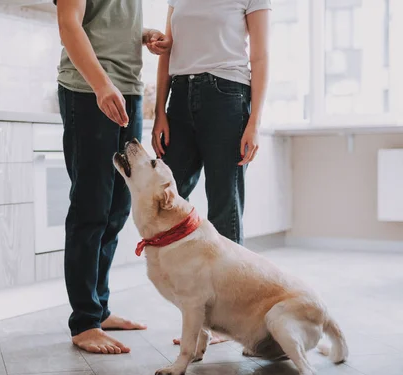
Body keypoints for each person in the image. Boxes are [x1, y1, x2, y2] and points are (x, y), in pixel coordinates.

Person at [151, 0, 271, 346]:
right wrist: (160, 111)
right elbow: (167, 53)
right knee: (170, 201)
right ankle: (195, 311)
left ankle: (227, 319)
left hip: (227, 96)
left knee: (224, 205)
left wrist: (255, 122)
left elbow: (260, 56)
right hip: (180, 98)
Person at [55, 0, 171, 354]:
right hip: (89, 92)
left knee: (117, 210)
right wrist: (102, 85)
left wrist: (143, 35)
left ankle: (99, 308)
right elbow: (69, 24)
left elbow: (105, 23)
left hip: (128, 92)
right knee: (90, 210)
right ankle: (85, 322)